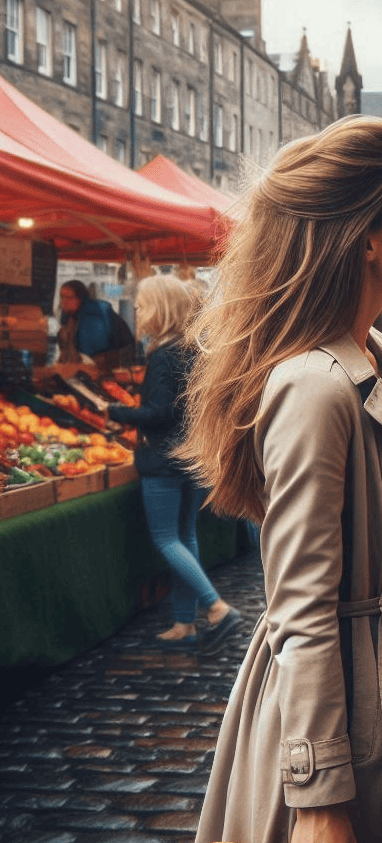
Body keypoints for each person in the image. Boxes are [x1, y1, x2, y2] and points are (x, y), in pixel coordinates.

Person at [177, 116, 382, 843]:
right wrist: (318, 798)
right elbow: (301, 607)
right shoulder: (315, 385)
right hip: (351, 713)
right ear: (367, 239)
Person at [99, 275, 241, 652]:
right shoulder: (192, 349)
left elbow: (160, 413)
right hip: (189, 455)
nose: (139, 311)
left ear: (160, 309)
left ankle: (217, 608)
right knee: (186, 536)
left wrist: (116, 411)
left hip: (163, 460)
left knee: (167, 540)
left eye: (143, 305)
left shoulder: (164, 355)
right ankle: (184, 624)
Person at [56, 279, 135, 367]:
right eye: (62, 297)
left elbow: (93, 357)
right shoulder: (70, 318)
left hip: (117, 366)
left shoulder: (94, 315)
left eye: (69, 298)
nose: (64, 302)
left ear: (80, 299)